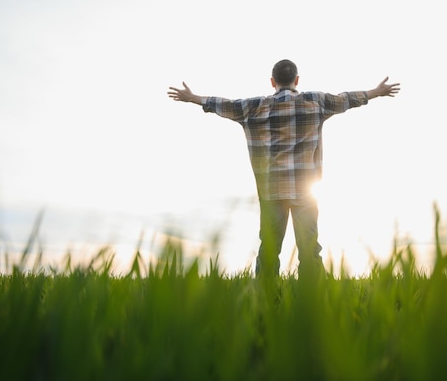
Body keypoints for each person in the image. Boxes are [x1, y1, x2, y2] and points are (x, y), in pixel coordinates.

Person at [168, 60, 400, 279]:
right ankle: (311, 303)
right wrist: (376, 92)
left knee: (269, 251)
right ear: (297, 80)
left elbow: (223, 104)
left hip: (271, 193)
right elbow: (347, 99)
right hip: (306, 193)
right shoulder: (316, 101)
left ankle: (264, 302)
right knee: (309, 251)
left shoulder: (254, 107)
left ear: (272, 82)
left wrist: (192, 98)